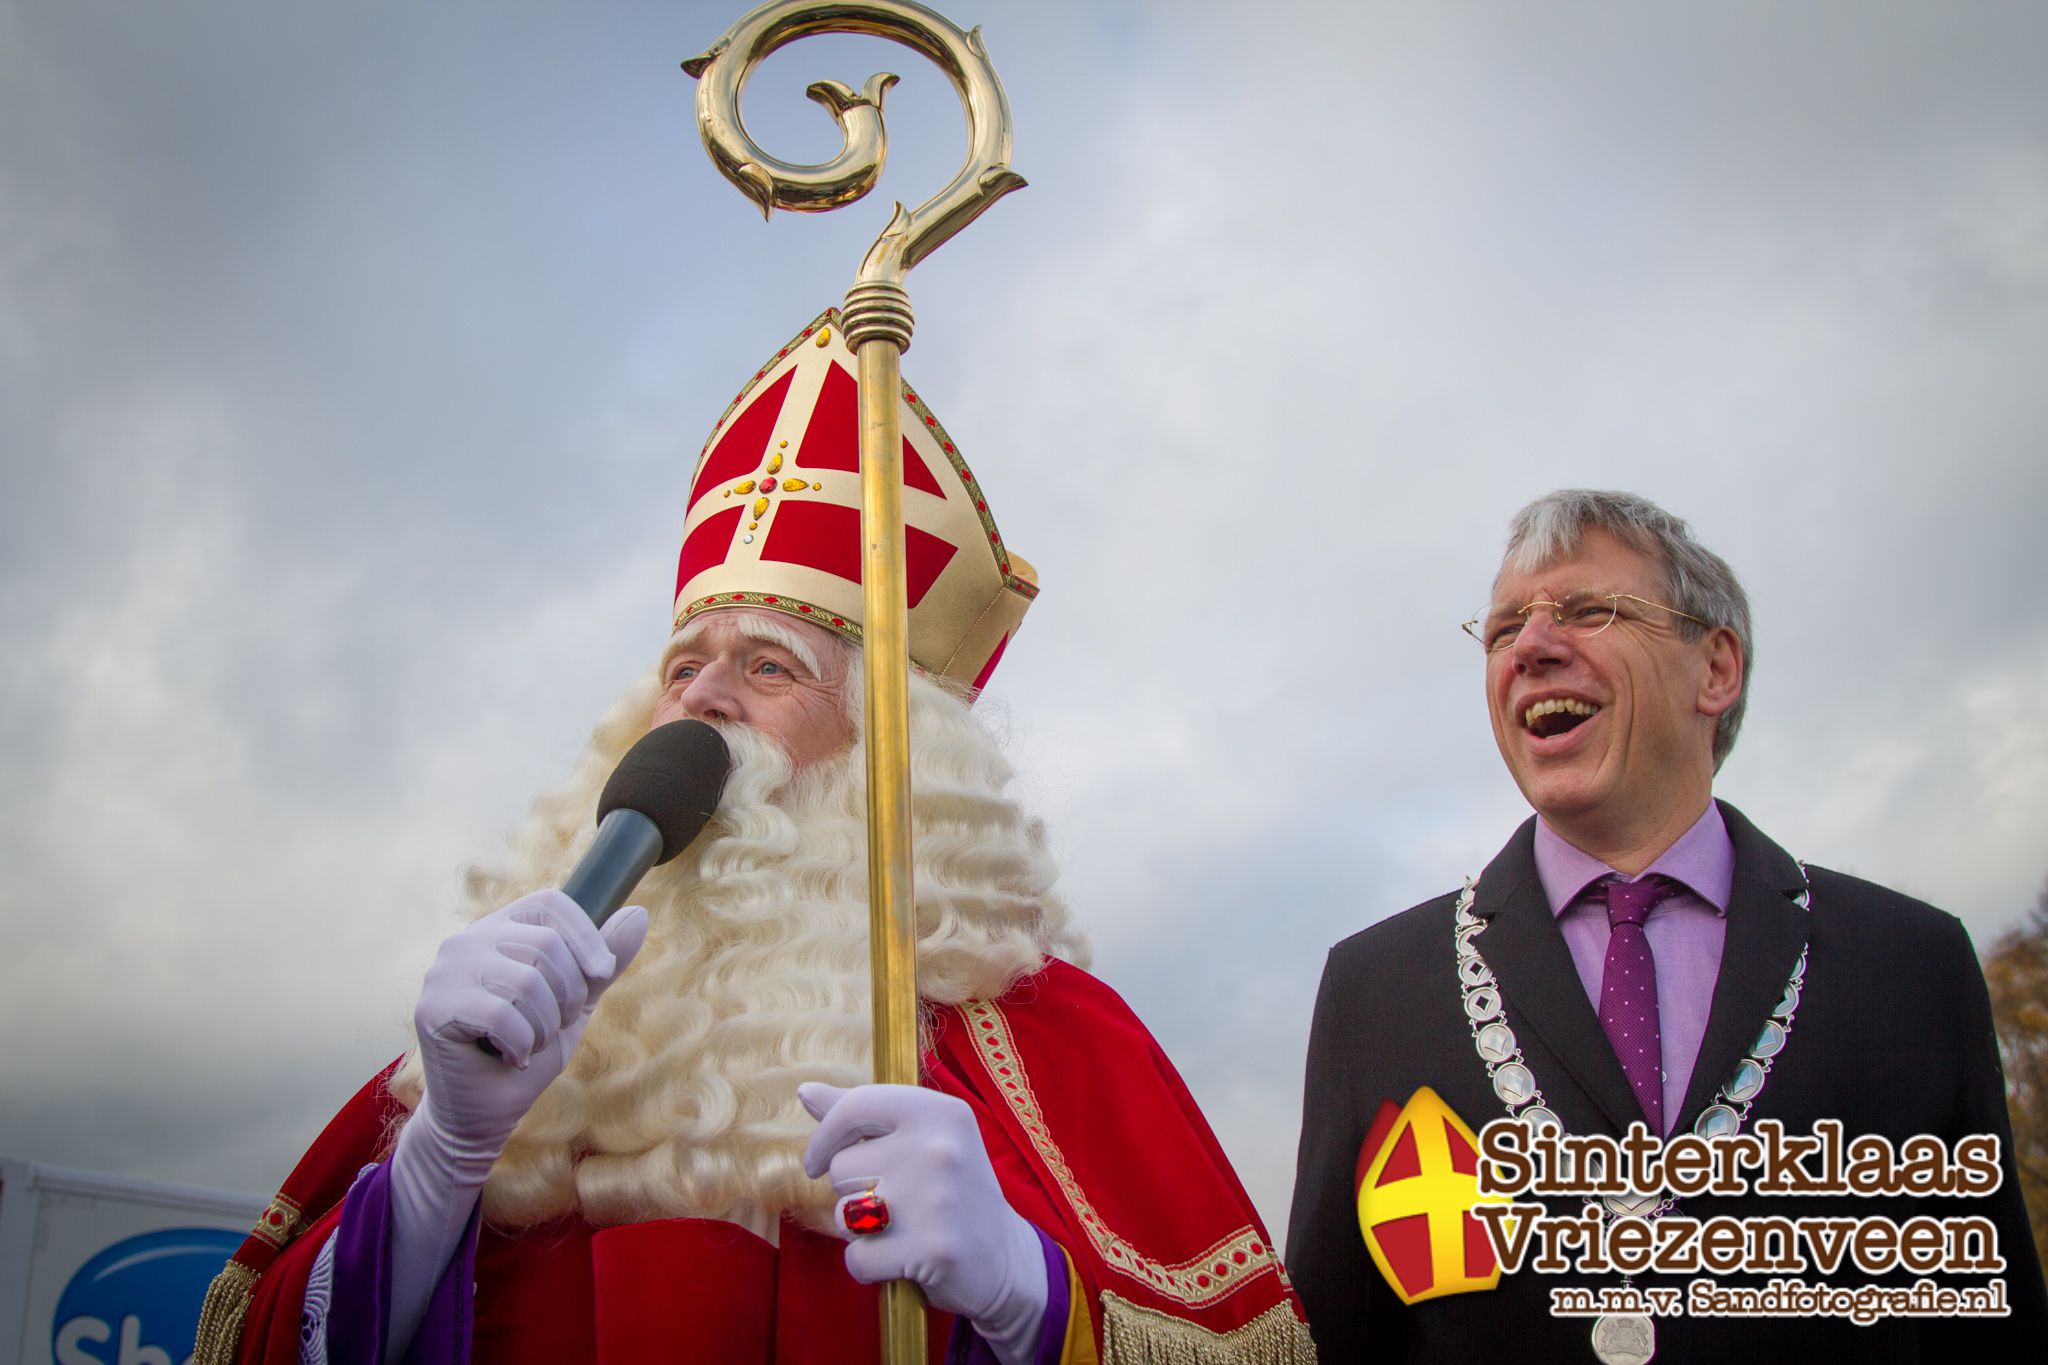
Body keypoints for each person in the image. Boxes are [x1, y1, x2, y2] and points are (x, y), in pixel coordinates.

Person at [197, 311, 1315, 1365]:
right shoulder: (503, 1034)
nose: (706, 697)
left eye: (768, 665)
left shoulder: (1044, 1035)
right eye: (682, 667)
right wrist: (438, 1162)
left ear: (891, 753)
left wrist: (1033, 1298)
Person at [1286, 489, 2048, 1362]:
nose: (1530, 647)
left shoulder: (1912, 964)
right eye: (1502, 631)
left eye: (1588, 609)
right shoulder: (1377, 988)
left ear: (1716, 669)